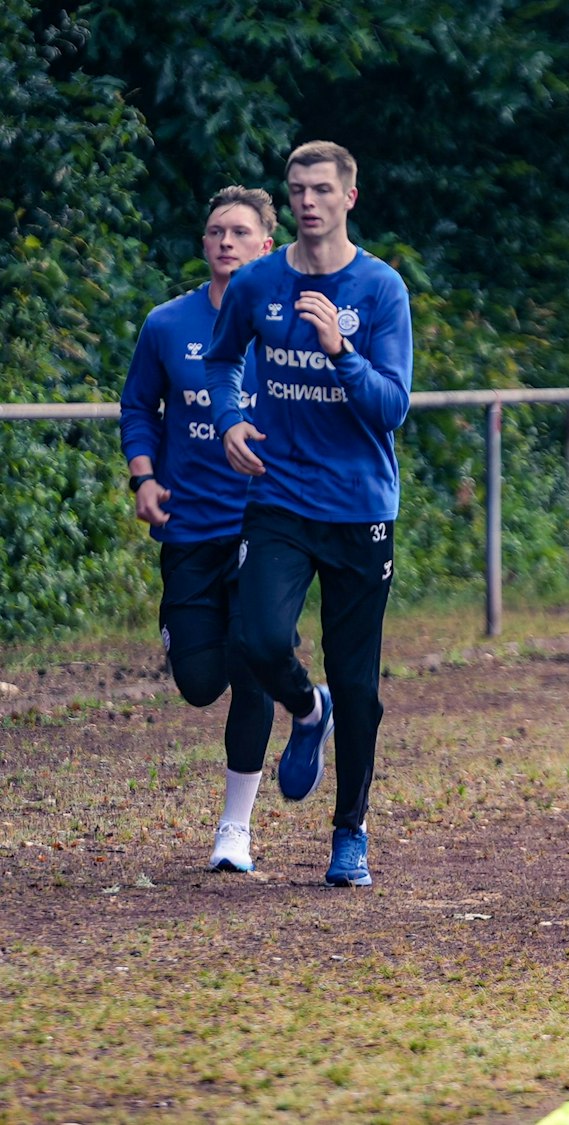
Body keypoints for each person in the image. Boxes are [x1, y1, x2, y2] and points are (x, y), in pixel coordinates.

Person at [204, 141, 414, 887]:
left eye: (322, 189)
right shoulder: (258, 279)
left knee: (359, 682)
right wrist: (229, 418)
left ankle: (350, 832)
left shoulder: (381, 288)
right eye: (297, 189)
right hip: (279, 497)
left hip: (359, 506)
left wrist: (341, 349)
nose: (308, 201)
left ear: (349, 197)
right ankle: (304, 705)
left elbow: (392, 405)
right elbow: (222, 360)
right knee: (257, 638)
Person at [120, 185, 277, 874]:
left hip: (265, 520)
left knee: (254, 660)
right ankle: (192, 635)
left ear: (267, 245)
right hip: (188, 524)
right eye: (216, 230)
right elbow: (136, 406)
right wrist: (143, 476)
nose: (226, 242)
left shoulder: (285, 323)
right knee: (198, 680)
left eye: (241, 232)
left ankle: (234, 829)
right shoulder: (167, 324)